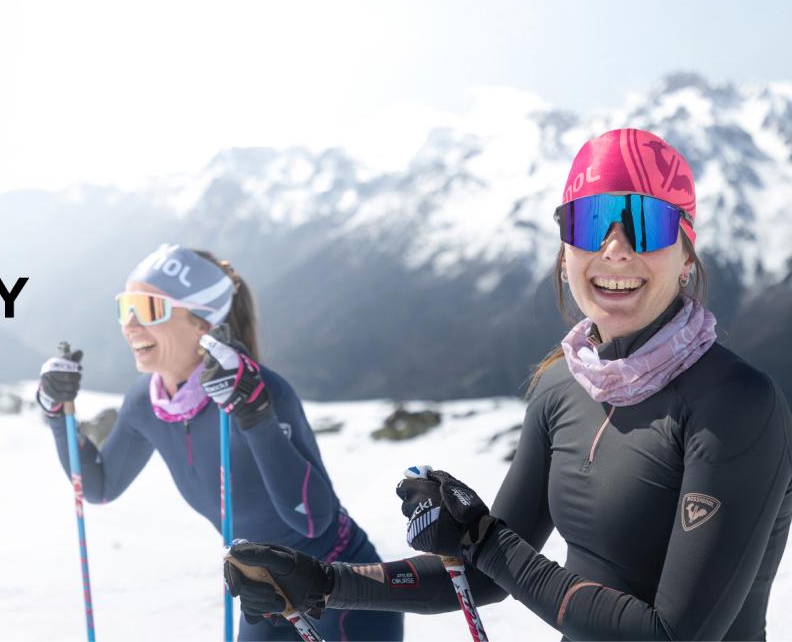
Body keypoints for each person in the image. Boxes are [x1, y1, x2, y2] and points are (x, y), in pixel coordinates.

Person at [223, 129, 792, 640]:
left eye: (646, 223)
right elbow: (480, 576)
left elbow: (674, 635)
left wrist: (485, 539)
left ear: (686, 254)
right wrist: (321, 582)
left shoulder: (737, 404)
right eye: (591, 223)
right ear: (566, 249)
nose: (615, 248)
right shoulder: (562, 387)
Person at [39, 243, 403, 641]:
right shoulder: (146, 402)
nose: (129, 324)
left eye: (147, 309)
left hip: (344, 593)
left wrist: (255, 416)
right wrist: (59, 415)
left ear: (204, 323)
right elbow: (99, 487)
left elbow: (313, 522)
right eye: (125, 307)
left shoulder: (261, 392)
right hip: (265, 598)